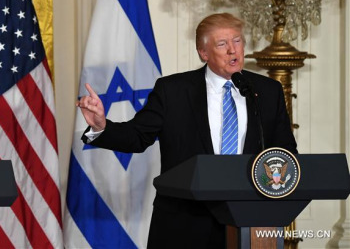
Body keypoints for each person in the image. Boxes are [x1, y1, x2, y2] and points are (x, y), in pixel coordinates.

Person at [76, 13, 297, 248]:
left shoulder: (267, 91)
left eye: (237, 40)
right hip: (184, 224)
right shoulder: (173, 91)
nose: (233, 50)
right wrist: (101, 126)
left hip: (250, 223)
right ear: (203, 53)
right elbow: (137, 137)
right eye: (222, 44)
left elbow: (285, 152)